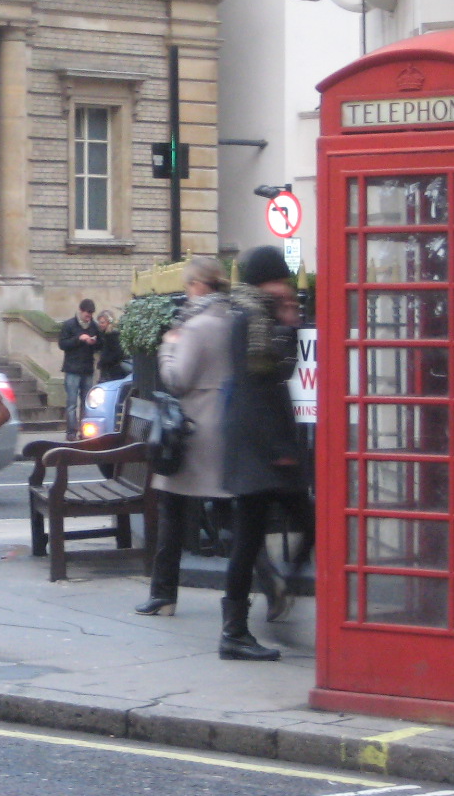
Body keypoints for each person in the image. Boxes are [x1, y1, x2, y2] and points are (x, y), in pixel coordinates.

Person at [216, 245, 315, 661]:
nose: (287, 284)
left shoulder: (263, 317)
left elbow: (282, 371)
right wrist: (280, 450)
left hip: (260, 445)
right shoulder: (251, 319)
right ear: (265, 281)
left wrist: (289, 322)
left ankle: (247, 619)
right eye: (281, 277)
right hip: (262, 447)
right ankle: (238, 628)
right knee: (262, 536)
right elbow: (262, 387)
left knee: (255, 537)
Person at [135, 257, 233, 617]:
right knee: (230, 516)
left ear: (199, 286)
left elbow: (177, 379)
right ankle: (269, 583)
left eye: (189, 285)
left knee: (172, 514)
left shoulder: (194, 327)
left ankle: (163, 596)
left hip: (191, 433)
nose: (187, 292)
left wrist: (168, 347)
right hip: (224, 428)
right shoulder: (231, 319)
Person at [58, 298, 101, 436]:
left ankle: (84, 431)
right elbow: (62, 344)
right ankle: (71, 431)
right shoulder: (69, 325)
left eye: (91, 314)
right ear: (81, 311)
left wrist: (94, 342)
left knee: (86, 402)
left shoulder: (93, 326)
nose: (89, 317)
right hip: (72, 369)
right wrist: (79, 339)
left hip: (87, 369)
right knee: (71, 403)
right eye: (87, 313)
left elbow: (100, 345)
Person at [96, 309, 127, 382]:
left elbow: (117, 353)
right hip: (108, 369)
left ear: (109, 322)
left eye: (102, 322)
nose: (100, 324)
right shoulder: (104, 334)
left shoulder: (113, 335)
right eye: (99, 322)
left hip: (113, 371)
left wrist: (103, 362)